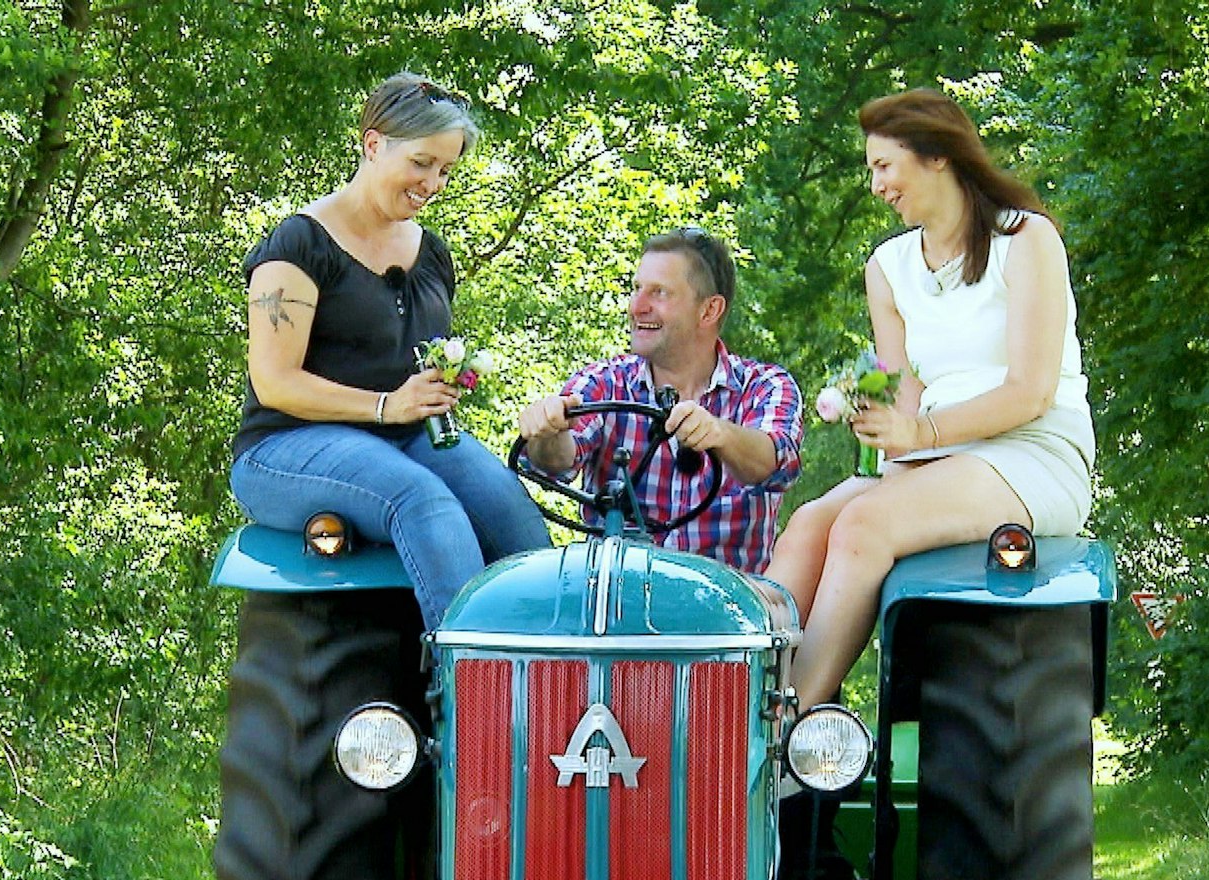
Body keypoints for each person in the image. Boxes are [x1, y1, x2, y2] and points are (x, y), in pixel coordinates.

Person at [764, 88, 1096, 708]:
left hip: (1030, 453)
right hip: (939, 456)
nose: (875, 185)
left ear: (937, 156)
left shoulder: (1026, 240)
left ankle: (783, 732)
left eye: (884, 165)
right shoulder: (888, 268)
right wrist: (891, 438)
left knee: (864, 525)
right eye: (870, 170)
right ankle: (730, 700)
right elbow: (909, 385)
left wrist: (919, 436)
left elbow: (1031, 391)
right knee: (811, 523)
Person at [229, 73, 549, 630]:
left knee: (512, 518)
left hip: (406, 438)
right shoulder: (299, 245)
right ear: (373, 145)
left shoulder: (431, 256)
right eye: (422, 163)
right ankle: (465, 693)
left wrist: (437, 387)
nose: (434, 182)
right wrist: (386, 406)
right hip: (284, 447)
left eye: (446, 170)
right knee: (425, 504)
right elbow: (276, 383)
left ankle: (547, 689)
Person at [519, 228, 804, 572]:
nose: (637, 307)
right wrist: (548, 431)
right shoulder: (604, 382)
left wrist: (720, 435)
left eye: (660, 293)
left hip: (722, 612)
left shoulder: (765, 387)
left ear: (709, 310)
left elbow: (773, 463)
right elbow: (555, 463)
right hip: (616, 603)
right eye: (636, 289)